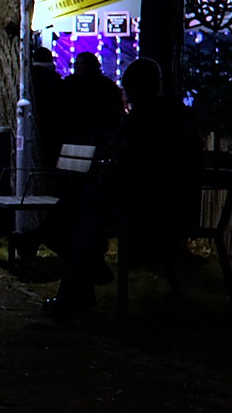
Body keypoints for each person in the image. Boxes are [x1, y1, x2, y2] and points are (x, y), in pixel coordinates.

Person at [43, 57, 188, 316]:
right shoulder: (167, 116)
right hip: (155, 203)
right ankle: (86, 278)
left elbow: (129, 167)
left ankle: (75, 290)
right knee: (81, 204)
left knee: (80, 208)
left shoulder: (145, 120)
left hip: (142, 207)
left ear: (135, 88)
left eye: (129, 87)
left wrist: (106, 171)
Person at [63, 50, 126, 150]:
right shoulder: (106, 84)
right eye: (77, 63)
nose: (78, 66)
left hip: (94, 131)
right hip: (82, 130)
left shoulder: (70, 83)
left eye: (82, 63)